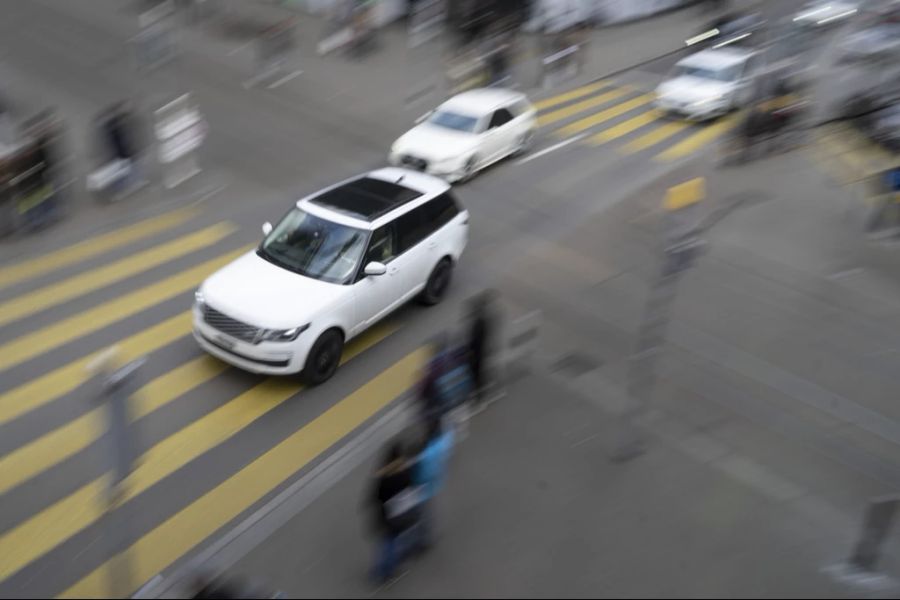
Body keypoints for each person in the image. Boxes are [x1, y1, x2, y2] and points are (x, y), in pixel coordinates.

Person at [369, 441, 418, 584]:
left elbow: (376, 498)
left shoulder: (384, 478)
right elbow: (412, 486)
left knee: (388, 543)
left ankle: (384, 571)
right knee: (399, 539)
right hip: (404, 513)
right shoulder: (406, 472)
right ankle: (397, 561)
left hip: (388, 517)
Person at [412, 417, 454, 551]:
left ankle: (423, 540)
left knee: (423, 514)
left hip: (422, 487)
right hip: (434, 482)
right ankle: (425, 536)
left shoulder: (428, 454)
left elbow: (423, 472)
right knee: (427, 512)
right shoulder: (445, 441)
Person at [466, 290, 500, 410]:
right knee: (480, 373)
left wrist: (470, 352)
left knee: (476, 375)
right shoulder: (485, 319)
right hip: (482, 351)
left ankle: (478, 397)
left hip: (477, 354)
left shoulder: (478, 322)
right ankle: (480, 392)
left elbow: (474, 340)